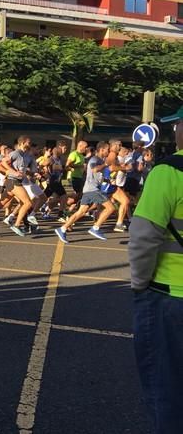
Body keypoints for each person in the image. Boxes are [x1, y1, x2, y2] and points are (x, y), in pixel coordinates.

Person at [129, 106, 183, 433]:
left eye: (177, 124)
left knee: (167, 392)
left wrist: (139, 284)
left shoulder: (169, 172)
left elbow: (143, 237)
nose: (175, 130)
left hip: (168, 296)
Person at [54, 141, 116, 243]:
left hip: (89, 189)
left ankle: (62, 229)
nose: (108, 152)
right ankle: (95, 228)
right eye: (107, 150)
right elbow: (94, 170)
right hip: (92, 189)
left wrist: (107, 180)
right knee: (111, 208)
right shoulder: (94, 159)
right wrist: (105, 164)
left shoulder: (99, 160)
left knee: (81, 212)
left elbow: (96, 175)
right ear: (101, 150)